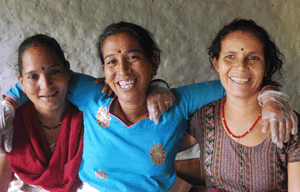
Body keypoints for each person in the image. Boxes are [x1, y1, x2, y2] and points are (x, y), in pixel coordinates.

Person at [2, 22, 297, 191]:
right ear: (103, 69)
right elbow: (40, 77)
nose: (123, 71)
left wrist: (271, 94)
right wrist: (7, 104)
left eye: (133, 57)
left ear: (153, 63)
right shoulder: (89, 94)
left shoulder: (179, 104)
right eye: (112, 62)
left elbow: (239, 81)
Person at [181, 19, 300, 191]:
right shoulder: (204, 118)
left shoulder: (287, 123)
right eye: (230, 56)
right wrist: (157, 89)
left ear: (266, 66)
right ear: (217, 64)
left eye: (253, 58)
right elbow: (161, 148)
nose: (241, 66)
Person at [0, 34, 84, 192]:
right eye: (33, 76)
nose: (46, 85)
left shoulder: (88, 117)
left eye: (54, 72)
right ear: (21, 82)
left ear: (67, 71)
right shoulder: (12, 122)